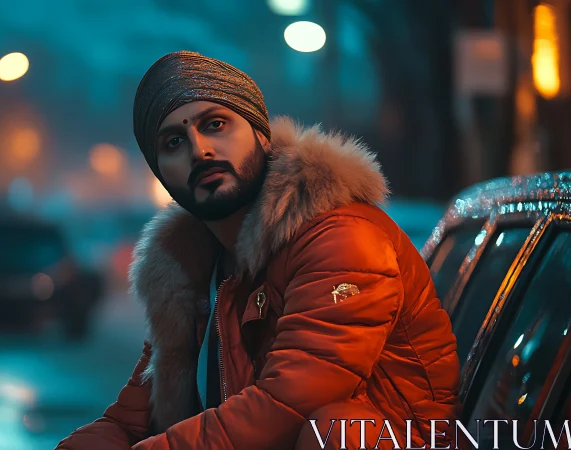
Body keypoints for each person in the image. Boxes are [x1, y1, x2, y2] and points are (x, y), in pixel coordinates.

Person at [56, 51, 461, 450]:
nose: (199, 150)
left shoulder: (341, 238)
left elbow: (289, 405)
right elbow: (129, 422)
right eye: (174, 142)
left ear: (262, 135)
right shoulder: (191, 270)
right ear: (161, 172)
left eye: (215, 125)